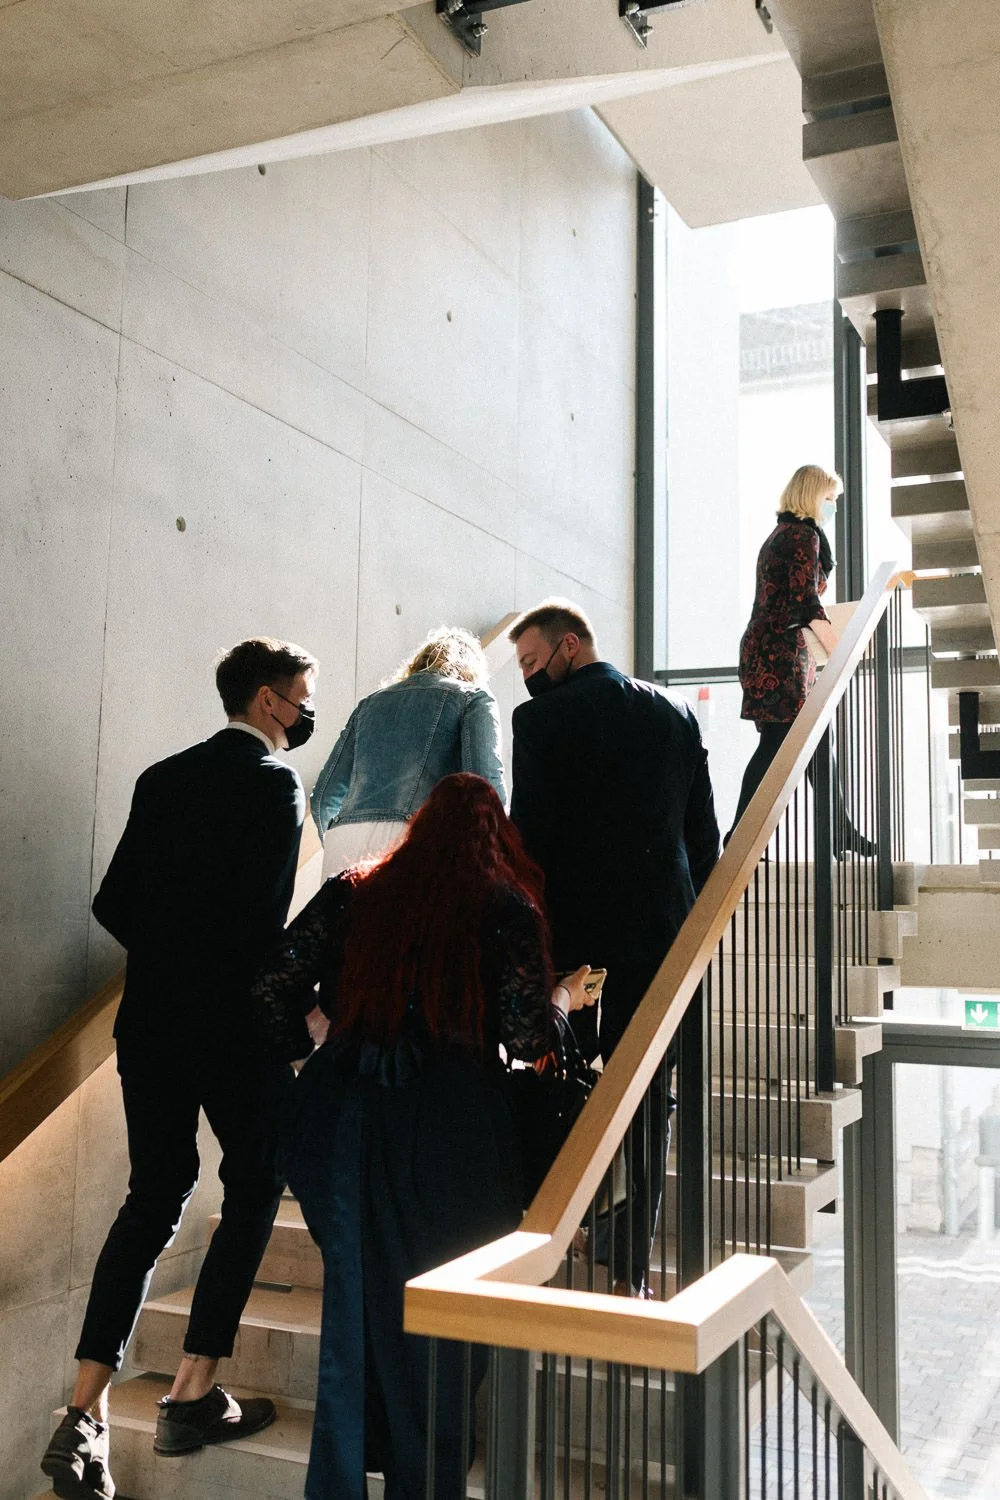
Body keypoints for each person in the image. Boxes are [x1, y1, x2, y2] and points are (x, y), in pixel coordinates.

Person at [249, 773, 592, 1500]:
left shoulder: (356, 888)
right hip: (451, 1128)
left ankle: (357, 1464)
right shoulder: (504, 907)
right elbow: (527, 1035)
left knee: (360, 1303)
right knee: (441, 1319)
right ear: (495, 835)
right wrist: (566, 998)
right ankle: (423, 1478)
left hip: (340, 1120)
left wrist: (315, 1046)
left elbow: (273, 983)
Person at [42, 637, 318, 1500]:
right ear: (270, 701)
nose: (308, 712)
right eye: (303, 697)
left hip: (150, 1023)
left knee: (155, 1194)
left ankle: (86, 1413)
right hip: (230, 1029)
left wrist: (171, 960)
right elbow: (260, 926)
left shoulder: (161, 777)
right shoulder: (274, 783)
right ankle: (193, 1389)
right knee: (255, 1180)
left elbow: (114, 902)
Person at [507, 599, 720, 1294]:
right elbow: (704, 837)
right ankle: (627, 1261)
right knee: (647, 1091)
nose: (528, 678)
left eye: (534, 663)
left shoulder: (542, 719)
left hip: (576, 941)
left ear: (570, 647)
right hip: (664, 936)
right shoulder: (676, 713)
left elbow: (526, 839)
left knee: (558, 1073)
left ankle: (552, 1222)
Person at [728, 463, 872, 854]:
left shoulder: (783, 534)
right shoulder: (802, 536)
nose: (833, 508)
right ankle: (738, 836)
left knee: (814, 741)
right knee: (778, 742)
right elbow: (805, 602)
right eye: (830, 499)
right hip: (779, 654)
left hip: (772, 649)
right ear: (812, 496)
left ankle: (839, 829)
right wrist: (841, 648)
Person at [312, 626, 506, 878]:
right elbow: (486, 785)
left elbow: (323, 798)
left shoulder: (368, 704)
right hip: (419, 840)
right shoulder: (473, 697)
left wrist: (339, 840)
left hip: (344, 844)